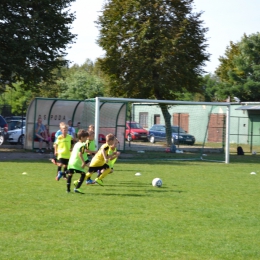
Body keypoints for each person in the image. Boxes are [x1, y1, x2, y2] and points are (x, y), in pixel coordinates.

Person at [67, 129, 90, 193]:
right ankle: (77, 188)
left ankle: (68, 190)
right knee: (83, 175)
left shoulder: (76, 144)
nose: (86, 139)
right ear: (82, 138)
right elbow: (80, 154)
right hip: (77, 163)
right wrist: (83, 162)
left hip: (71, 162)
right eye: (86, 138)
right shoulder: (83, 145)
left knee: (70, 174)